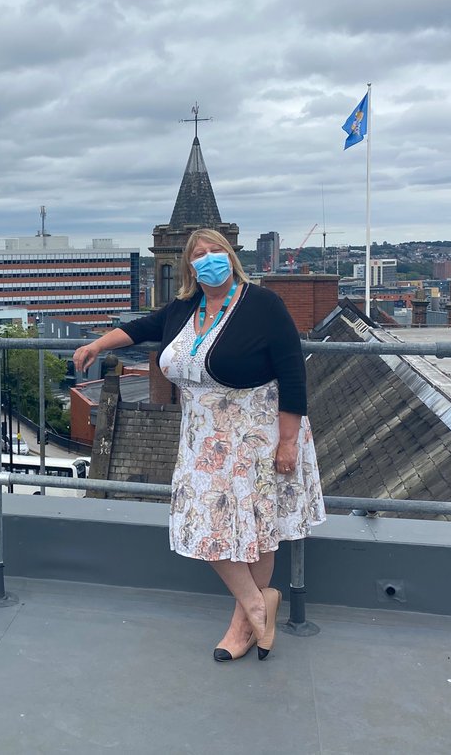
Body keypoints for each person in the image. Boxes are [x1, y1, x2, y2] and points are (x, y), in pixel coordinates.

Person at [72, 228, 324, 661]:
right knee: (204, 525)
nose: (209, 259)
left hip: (256, 435)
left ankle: (244, 623)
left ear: (232, 256)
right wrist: (97, 343)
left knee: (258, 530)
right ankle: (258, 604)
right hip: (202, 440)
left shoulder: (263, 304)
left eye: (216, 251)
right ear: (190, 266)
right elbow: (139, 329)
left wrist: (288, 442)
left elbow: (292, 374)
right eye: (200, 254)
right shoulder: (185, 309)